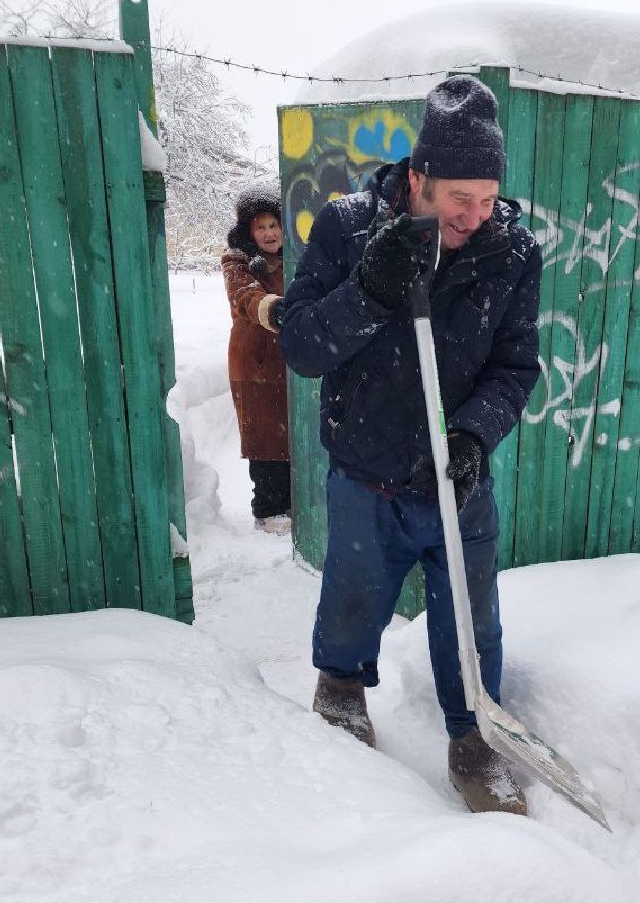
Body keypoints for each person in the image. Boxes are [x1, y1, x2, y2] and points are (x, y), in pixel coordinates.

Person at [279, 75, 544, 816]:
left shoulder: (512, 252)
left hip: (458, 479)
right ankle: (340, 693)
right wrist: (370, 290)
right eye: (460, 199)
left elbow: (516, 365)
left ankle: (474, 739)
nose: (475, 216)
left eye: (488, 199)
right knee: (354, 600)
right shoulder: (348, 227)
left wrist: (473, 433)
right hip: (368, 473)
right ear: (419, 177)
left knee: (473, 619)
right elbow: (302, 346)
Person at [221, 183, 292, 534]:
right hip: (257, 364)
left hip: (292, 363)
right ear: (249, 231)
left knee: (293, 434)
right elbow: (244, 296)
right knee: (266, 438)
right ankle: (268, 508)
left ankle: (292, 504)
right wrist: (272, 307)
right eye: (260, 227)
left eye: (274, 225)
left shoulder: (296, 257)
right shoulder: (238, 262)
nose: (269, 233)